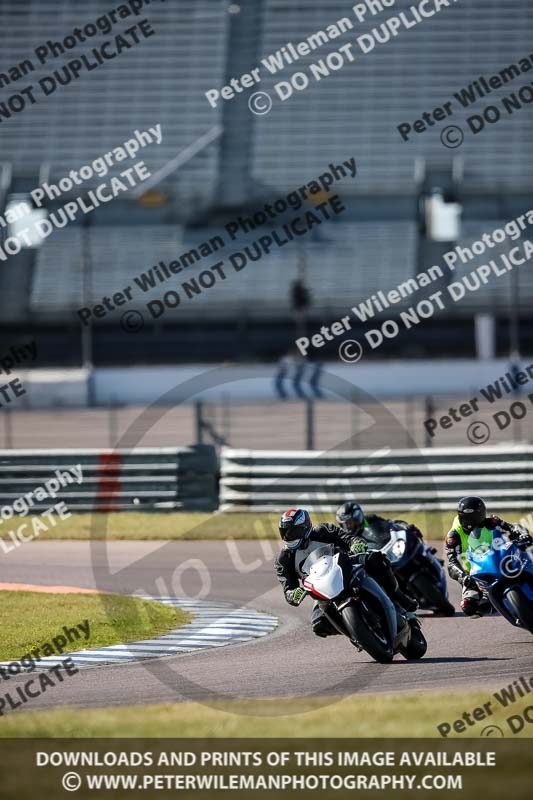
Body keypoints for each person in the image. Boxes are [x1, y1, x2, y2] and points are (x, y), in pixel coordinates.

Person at [275, 507, 417, 638]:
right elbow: (288, 588)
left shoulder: (323, 530)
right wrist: (293, 594)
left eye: (292, 532)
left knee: (377, 559)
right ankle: (355, 634)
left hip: (347, 566)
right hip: (321, 589)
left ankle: (399, 597)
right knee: (319, 624)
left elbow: (348, 538)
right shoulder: (284, 559)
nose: (289, 536)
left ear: (305, 527)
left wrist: (356, 544)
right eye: (285, 532)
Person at [445, 496, 532, 617]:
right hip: (476, 573)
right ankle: (499, 605)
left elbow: (513, 527)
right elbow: (452, 562)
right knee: (469, 607)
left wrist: (523, 535)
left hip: (502, 558)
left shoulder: (491, 522)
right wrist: (464, 576)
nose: (472, 521)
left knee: (528, 550)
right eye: (468, 518)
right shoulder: (453, 536)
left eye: (475, 517)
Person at [335, 501, 423, 542]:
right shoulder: (345, 538)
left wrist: (404, 526)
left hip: (388, 548)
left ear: (357, 519)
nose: (348, 527)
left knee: (413, 535)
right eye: (345, 524)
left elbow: (390, 524)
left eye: (350, 522)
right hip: (375, 562)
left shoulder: (370, 519)